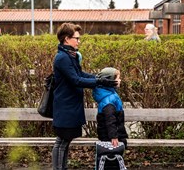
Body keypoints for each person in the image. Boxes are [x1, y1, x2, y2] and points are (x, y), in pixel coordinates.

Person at [52, 22, 118, 170]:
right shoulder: (62, 57)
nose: (79, 41)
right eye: (77, 38)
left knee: (65, 141)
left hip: (70, 105)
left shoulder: (70, 56)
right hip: (65, 106)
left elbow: (80, 74)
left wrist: (99, 79)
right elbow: (76, 80)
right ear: (67, 39)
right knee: (61, 142)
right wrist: (98, 81)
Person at [92, 67, 128, 148]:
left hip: (113, 135)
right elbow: (110, 120)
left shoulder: (109, 94)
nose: (120, 80)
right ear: (111, 81)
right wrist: (113, 136)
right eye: (118, 79)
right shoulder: (108, 100)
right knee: (113, 157)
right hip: (111, 138)